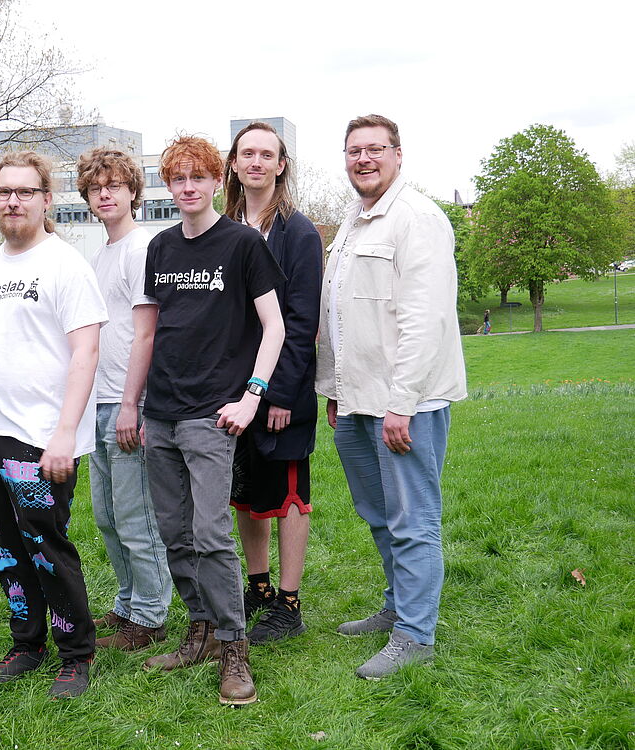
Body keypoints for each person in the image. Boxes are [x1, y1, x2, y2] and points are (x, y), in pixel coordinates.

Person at [0, 150, 108, 700]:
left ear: (45, 200)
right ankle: (27, 641)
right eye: (4, 192)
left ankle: (76, 653)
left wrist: (65, 434)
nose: (13, 201)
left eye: (25, 192)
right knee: (3, 546)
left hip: (39, 437)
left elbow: (86, 353)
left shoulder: (66, 265)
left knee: (46, 546)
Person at [315, 114, 467, 679]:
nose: (364, 159)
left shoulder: (416, 219)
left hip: (405, 404)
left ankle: (415, 634)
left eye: (375, 150)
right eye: (354, 151)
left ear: (398, 155)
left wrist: (401, 402)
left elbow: (424, 321)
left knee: (412, 519)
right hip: (357, 402)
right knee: (378, 514)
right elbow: (340, 312)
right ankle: (397, 605)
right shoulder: (355, 223)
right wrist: (333, 389)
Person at [141, 135, 285, 706]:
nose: (188, 188)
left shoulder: (243, 244)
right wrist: (135, 406)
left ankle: (234, 645)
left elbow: (275, 326)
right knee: (174, 533)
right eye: (178, 179)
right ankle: (198, 627)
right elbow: (151, 332)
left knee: (209, 533)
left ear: (214, 180)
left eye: (198, 177)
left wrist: (252, 395)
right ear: (169, 185)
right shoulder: (161, 248)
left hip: (213, 413)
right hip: (162, 412)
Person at [223, 122, 322, 643]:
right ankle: (257, 587)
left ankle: (289, 602)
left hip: (281, 392)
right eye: (247, 153)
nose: (256, 162)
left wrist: (280, 394)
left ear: (281, 165)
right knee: (245, 495)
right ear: (234, 164)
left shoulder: (299, 233)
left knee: (288, 498)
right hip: (232, 391)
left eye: (267, 154)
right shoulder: (222, 228)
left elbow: (302, 320)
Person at [76, 147, 172, 651]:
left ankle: (152, 616)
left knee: (137, 517)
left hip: (127, 403)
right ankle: (128, 601)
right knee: (107, 515)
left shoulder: (141, 249)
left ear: (133, 190)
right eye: (95, 188)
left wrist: (132, 404)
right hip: (97, 402)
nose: (105, 194)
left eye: (114, 185)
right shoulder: (103, 253)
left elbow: (146, 335)